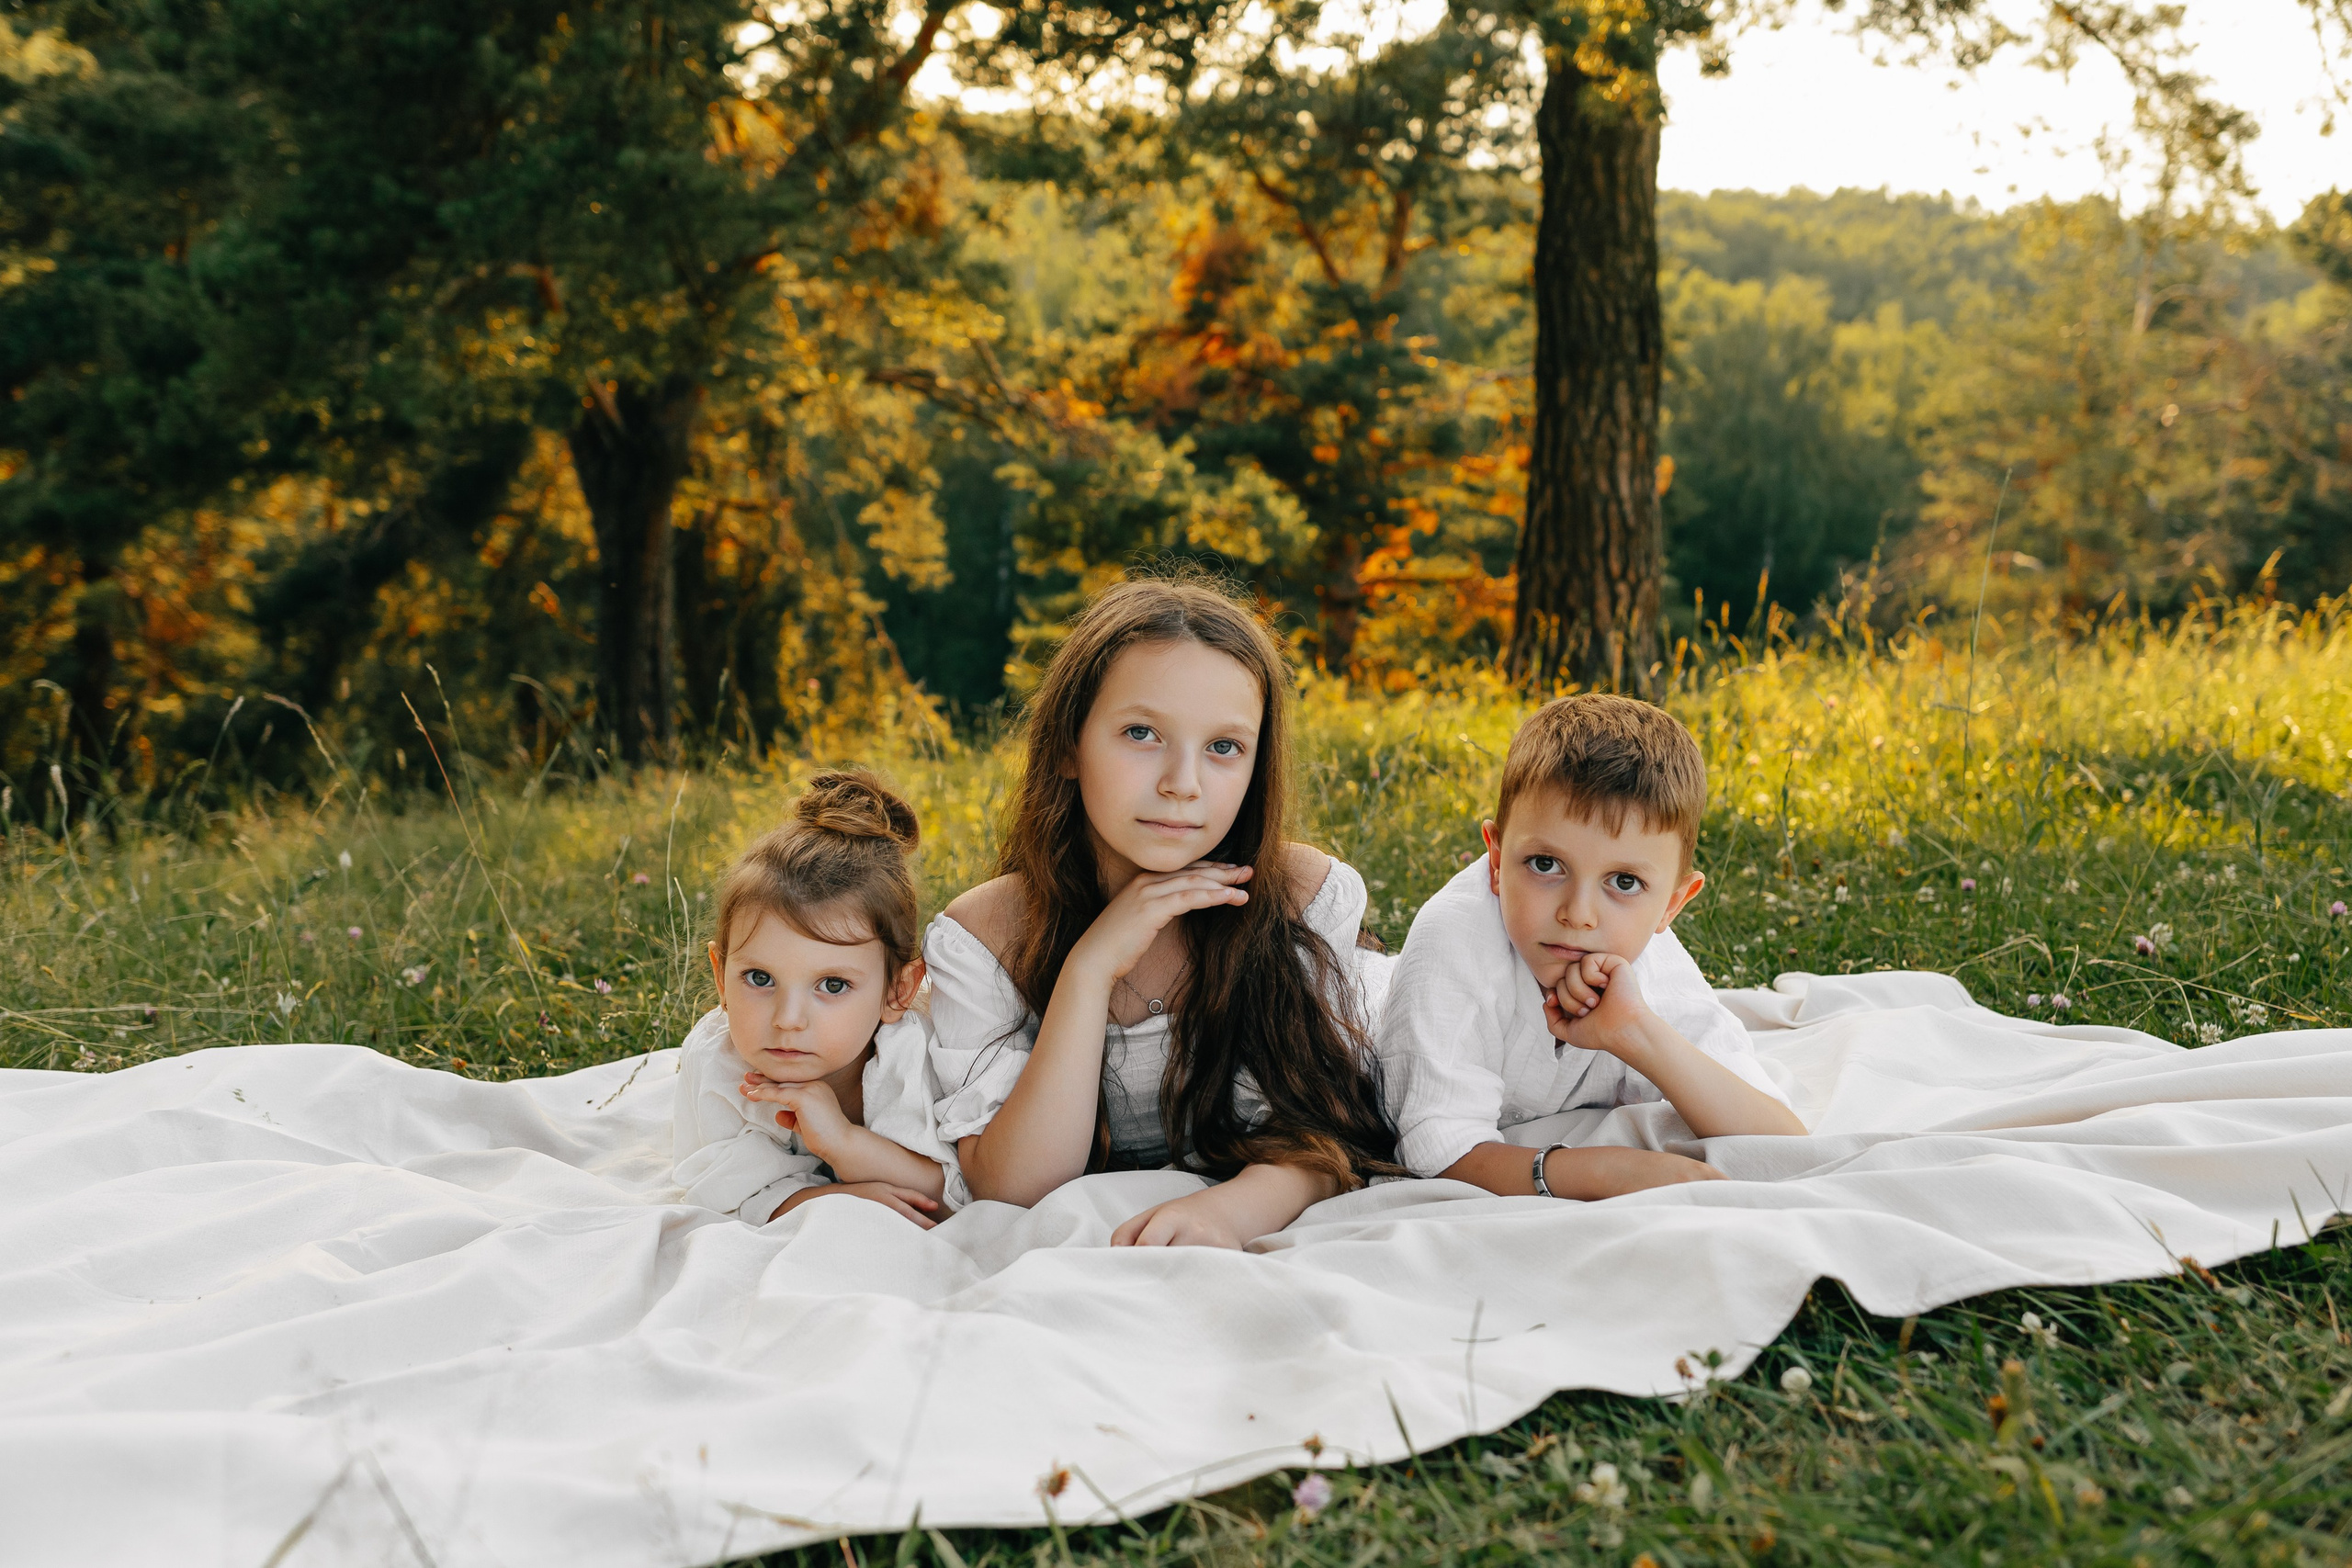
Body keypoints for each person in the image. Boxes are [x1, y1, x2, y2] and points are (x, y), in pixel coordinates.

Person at [925, 575, 1400, 1247]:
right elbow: (1016, 1187)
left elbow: (1330, 1134)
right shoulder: (987, 936)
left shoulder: (1302, 896)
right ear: (1067, 744)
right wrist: (1090, 968)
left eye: (1224, 747)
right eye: (1142, 732)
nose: (1183, 783)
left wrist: (1229, 1212)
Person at [1381, 694, 1805, 1201]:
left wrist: (1636, 1032)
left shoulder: (1653, 967)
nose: (1578, 914)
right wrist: (1596, 1173)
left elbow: (1783, 1140)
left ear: (1672, 904)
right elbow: (1435, 1152)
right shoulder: (1453, 942)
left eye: (1623, 882)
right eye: (1544, 864)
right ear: (1496, 860)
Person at [672, 771, 954, 1227]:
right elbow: (726, 1192)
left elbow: (953, 1189)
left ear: (897, 990)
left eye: (833, 986)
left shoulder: (917, 1054)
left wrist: (841, 1141)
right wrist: (834, 1199)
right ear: (721, 978)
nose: (787, 1019)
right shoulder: (719, 1065)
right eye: (760, 978)